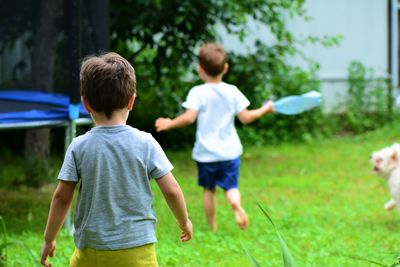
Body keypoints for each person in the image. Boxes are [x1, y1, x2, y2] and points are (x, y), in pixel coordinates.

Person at [40, 52, 192, 267]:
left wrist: (49, 238)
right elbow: (171, 190)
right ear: (131, 100)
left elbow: (61, 198)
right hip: (137, 249)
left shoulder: (79, 146)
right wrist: (183, 221)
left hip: (91, 250)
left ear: (85, 104)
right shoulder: (146, 142)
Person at [155, 43, 274, 232]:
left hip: (206, 153)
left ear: (200, 69)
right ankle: (235, 204)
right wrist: (265, 109)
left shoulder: (198, 92)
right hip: (230, 152)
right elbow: (246, 117)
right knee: (231, 187)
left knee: (208, 190)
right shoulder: (232, 91)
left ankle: (213, 227)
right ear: (225, 68)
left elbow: (188, 118)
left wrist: (169, 123)